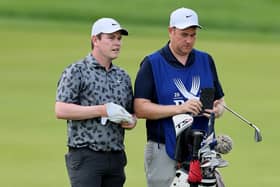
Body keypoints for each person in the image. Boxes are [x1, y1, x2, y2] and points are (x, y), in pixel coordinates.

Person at [134, 7, 226, 187]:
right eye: (184, 34)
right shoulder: (152, 63)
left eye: (193, 35)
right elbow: (140, 107)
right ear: (171, 31)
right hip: (163, 149)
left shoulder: (206, 60)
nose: (189, 40)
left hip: (202, 149)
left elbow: (220, 101)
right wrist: (180, 108)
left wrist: (217, 110)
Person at [55, 17, 137, 187]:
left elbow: (131, 112)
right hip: (86, 156)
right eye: (111, 38)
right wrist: (102, 110)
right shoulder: (77, 70)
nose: (117, 43)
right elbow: (61, 109)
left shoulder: (122, 76)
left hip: (116, 157)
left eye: (119, 38)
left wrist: (131, 121)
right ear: (95, 40)